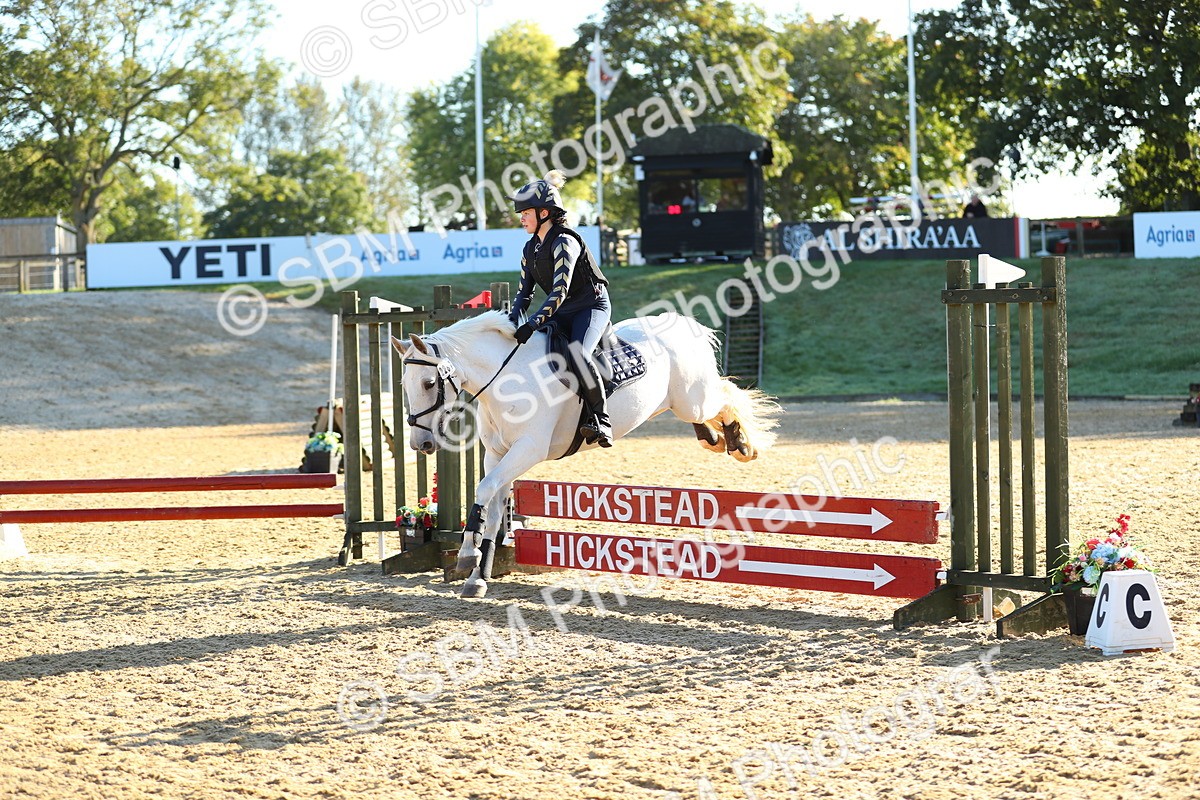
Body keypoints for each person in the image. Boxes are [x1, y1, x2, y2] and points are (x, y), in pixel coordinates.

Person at [506, 170, 613, 447]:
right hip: (561, 310)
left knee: (578, 353)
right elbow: (523, 294)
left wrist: (531, 324)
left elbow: (559, 291)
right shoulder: (530, 249)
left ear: (544, 213)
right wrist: (510, 323)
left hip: (590, 306)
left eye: (525, 212)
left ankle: (602, 420)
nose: (521, 218)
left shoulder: (565, 241)